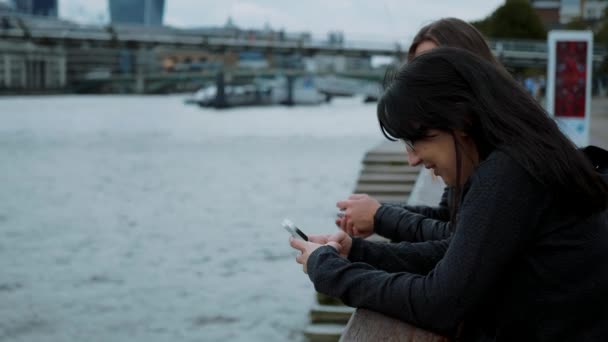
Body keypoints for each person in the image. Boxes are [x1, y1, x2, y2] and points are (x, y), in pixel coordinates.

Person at [290, 47, 608, 341]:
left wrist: (330, 271)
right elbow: (456, 253)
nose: (412, 159)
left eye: (417, 140)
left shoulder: (511, 174)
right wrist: (359, 254)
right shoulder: (523, 160)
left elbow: (440, 303)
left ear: (462, 121)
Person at [337, 18, 503, 241]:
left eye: (433, 68)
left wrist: (380, 217)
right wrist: (376, 214)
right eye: (416, 70)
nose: (420, 82)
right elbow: (448, 218)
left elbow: (454, 240)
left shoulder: (502, 161)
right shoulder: (472, 144)